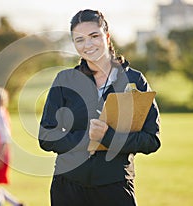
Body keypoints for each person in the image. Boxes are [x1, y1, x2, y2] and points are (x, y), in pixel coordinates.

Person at [38, 9, 161, 206]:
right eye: (79, 40)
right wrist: (87, 138)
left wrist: (108, 136)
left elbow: (151, 140)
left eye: (94, 36)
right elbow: (46, 136)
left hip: (115, 187)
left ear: (107, 36)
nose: (87, 45)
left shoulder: (134, 80)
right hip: (68, 187)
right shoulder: (64, 80)